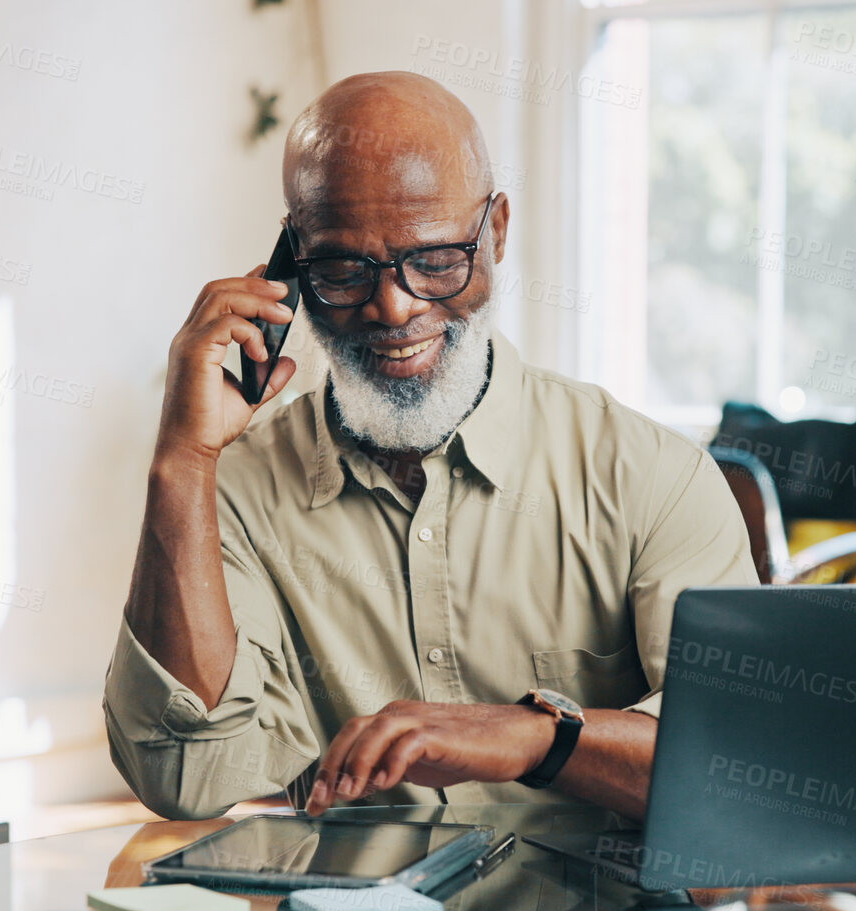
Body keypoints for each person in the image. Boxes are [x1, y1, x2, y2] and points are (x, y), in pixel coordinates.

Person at [103, 70, 755, 822]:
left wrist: (533, 737)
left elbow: (740, 774)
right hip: (357, 900)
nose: (393, 306)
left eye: (437, 260)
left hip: (587, 902)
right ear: (292, 262)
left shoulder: (654, 477)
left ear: (496, 232)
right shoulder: (235, 494)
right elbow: (184, 776)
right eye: (341, 268)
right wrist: (182, 461)